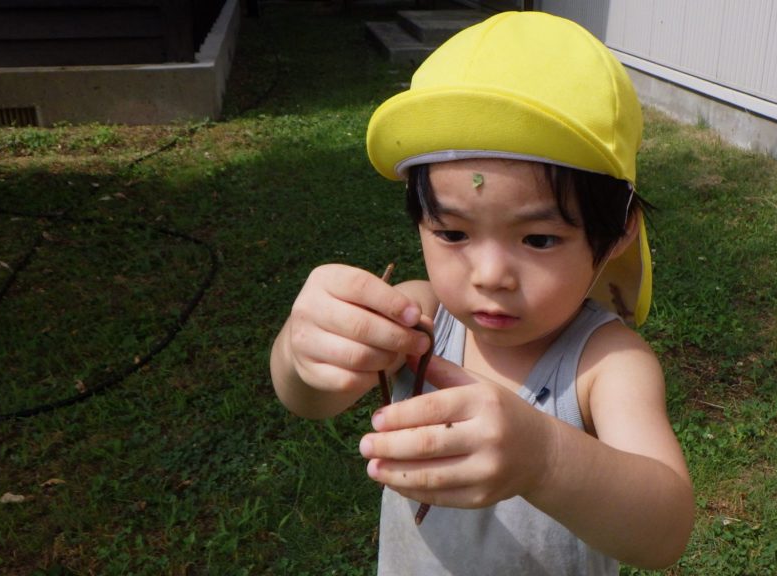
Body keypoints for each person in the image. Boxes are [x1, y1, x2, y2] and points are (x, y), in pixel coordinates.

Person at [270, 11, 694, 575]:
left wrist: (545, 459)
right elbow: (310, 400)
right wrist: (302, 352)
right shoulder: (420, 319)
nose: (490, 275)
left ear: (616, 233)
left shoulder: (606, 365)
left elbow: (664, 533)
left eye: (538, 238)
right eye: (452, 233)